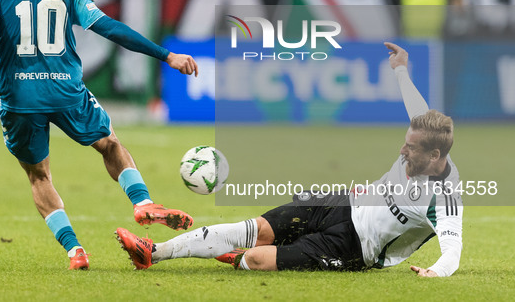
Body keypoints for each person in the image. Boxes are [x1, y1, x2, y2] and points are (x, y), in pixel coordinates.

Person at [0, 0, 199, 270]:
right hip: (66, 90)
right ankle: (142, 202)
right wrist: (167, 55)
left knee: (39, 175)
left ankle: (75, 251)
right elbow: (111, 28)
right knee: (110, 143)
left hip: (19, 97)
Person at [116, 42, 463, 277]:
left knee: (255, 257)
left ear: (435, 155)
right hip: (343, 202)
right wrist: (401, 70)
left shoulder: (444, 198)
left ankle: (231, 254)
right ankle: (153, 251)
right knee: (257, 229)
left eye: (412, 149)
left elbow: (453, 249)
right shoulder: (423, 140)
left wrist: (436, 272)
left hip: (356, 248)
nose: (403, 151)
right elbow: (417, 111)